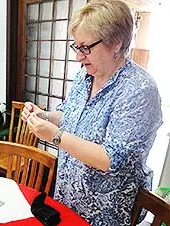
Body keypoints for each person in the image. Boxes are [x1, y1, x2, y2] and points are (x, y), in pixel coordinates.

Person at [21, 1, 162, 225]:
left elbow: (112, 159)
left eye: (86, 48)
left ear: (116, 44)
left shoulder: (139, 90)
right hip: (68, 197)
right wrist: (44, 116)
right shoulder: (84, 76)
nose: (78, 56)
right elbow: (69, 114)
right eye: (76, 47)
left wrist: (54, 136)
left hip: (105, 211)